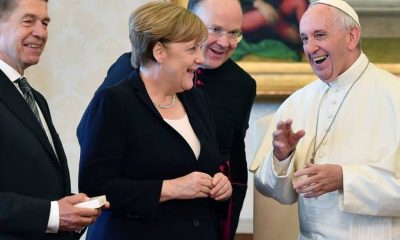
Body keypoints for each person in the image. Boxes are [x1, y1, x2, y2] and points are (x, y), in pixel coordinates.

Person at [77, 0, 256, 239]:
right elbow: (95, 187)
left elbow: (213, 163)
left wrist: (219, 183)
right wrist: (169, 188)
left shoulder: (197, 100)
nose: (200, 59)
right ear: (159, 51)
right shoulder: (114, 101)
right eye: (191, 49)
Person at [254, 0, 400, 239]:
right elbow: (273, 191)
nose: (310, 48)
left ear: (351, 37)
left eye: (319, 35)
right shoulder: (297, 102)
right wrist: (282, 157)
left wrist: (345, 179)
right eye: (304, 39)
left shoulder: (395, 96)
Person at [0, 0, 108, 239]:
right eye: (28, 21)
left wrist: (69, 208)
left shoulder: (35, 98)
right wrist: (52, 214)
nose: (41, 32)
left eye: (45, 23)